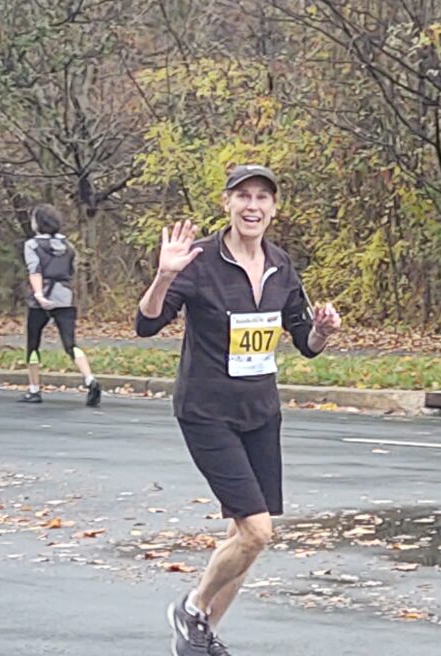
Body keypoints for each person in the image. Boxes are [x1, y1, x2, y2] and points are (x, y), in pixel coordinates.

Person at [136, 165, 342, 656]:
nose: (253, 206)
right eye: (243, 196)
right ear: (228, 203)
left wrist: (322, 331)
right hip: (208, 412)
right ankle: (191, 609)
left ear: (274, 207)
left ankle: (200, 637)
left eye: (262, 198)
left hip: (260, 413)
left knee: (242, 538)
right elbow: (147, 324)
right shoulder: (199, 260)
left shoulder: (281, 264)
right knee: (257, 532)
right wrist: (165, 276)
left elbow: (303, 339)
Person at [19, 204, 100, 407]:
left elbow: (34, 270)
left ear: (38, 223)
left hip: (41, 299)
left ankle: (34, 389)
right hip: (65, 297)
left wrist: (38, 294)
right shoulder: (68, 245)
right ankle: (90, 379)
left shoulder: (32, 245)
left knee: (33, 343)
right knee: (70, 343)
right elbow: (71, 270)